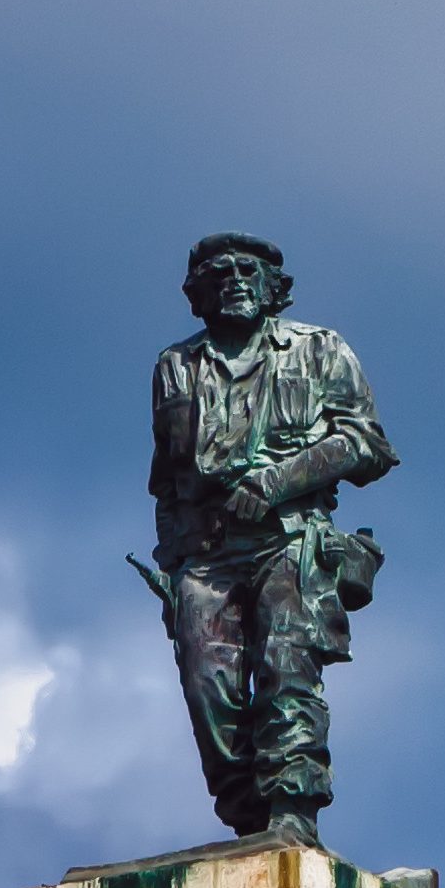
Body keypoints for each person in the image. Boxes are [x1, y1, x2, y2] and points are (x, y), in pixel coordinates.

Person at [140, 232, 396, 846]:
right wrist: (173, 561)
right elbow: (167, 479)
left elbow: (367, 444)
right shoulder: (177, 365)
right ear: (197, 295)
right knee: (209, 692)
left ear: (273, 287)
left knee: (287, 669)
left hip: (289, 541)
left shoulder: (318, 350)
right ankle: (249, 820)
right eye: (217, 273)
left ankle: (292, 811)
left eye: (247, 270)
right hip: (206, 555)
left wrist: (277, 481)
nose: (233, 281)